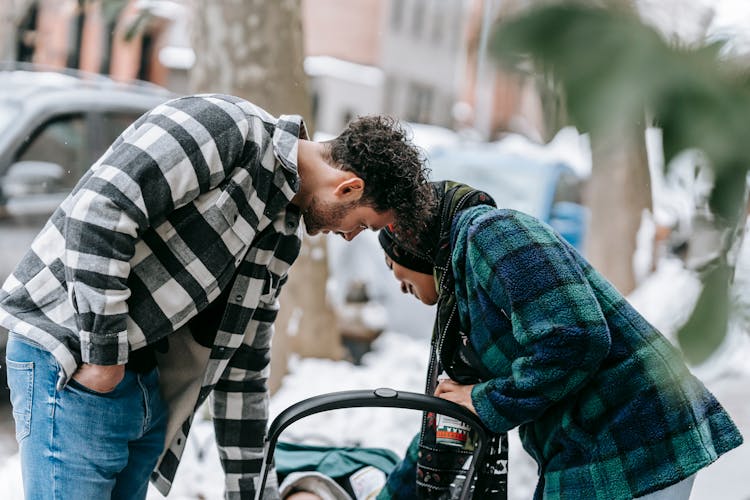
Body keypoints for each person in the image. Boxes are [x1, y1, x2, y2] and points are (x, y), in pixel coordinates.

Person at [0, 94, 431, 500]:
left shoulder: (282, 233)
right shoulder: (225, 128)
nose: (351, 236)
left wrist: (252, 493)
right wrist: (105, 361)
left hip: (142, 388)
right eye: (365, 225)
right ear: (349, 188)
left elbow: (242, 367)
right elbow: (99, 212)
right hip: (74, 364)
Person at [376, 180, 743, 499]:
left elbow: (577, 339)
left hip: (633, 438)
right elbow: (448, 423)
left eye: (392, 263)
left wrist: (484, 399)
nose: (394, 278)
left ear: (415, 247)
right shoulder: (464, 308)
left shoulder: (492, 233)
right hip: (587, 450)